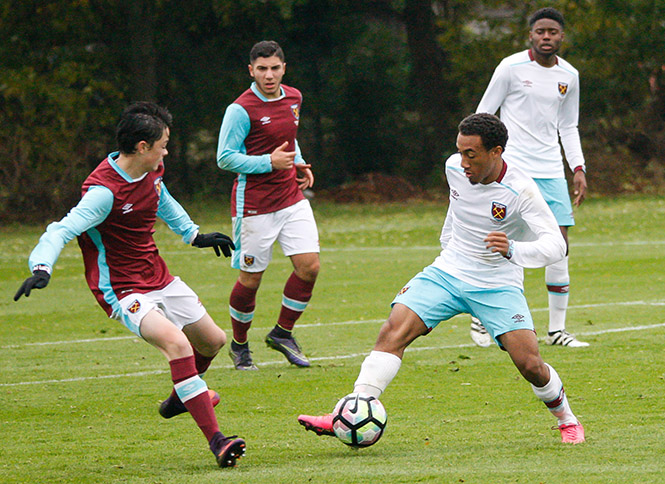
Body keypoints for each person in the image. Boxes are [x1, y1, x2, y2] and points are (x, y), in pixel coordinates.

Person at [297, 113, 586, 444]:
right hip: (448, 271)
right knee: (393, 330)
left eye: (471, 154)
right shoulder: (454, 168)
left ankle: (567, 421)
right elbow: (457, 209)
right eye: (459, 151)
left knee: (530, 363)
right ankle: (347, 414)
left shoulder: (521, 189)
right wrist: (447, 246)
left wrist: (513, 251)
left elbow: (555, 245)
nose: (462, 162)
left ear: (496, 152)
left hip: (496, 283)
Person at [13, 102, 246, 468]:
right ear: (141, 147)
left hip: (159, 276)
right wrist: (41, 267)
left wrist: (193, 234)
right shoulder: (103, 193)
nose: (166, 151)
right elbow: (60, 229)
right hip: (123, 290)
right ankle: (217, 440)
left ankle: (178, 399)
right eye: (162, 144)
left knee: (213, 341)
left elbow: (162, 198)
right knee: (177, 343)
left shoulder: (151, 171)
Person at [472, 7, 589, 348]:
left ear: (562, 36)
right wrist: (481, 162)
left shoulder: (570, 75)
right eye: (540, 31)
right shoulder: (510, 68)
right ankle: (483, 315)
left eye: (553, 32)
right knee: (503, 240)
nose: (546, 37)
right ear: (531, 35)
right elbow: (484, 113)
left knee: (559, 246)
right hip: (514, 169)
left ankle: (557, 331)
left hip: (551, 170)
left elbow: (568, 126)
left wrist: (578, 168)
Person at [217, 40, 319, 370]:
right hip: (254, 206)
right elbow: (224, 157)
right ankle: (240, 345)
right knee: (251, 281)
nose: (269, 75)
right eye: (262, 69)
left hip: (291, 198)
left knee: (309, 267)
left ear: (283, 68)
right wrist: (268, 162)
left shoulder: (294, 97)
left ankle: (282, 333)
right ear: (251, 71)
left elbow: (290, 138)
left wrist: (299, 162)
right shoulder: (240, 109)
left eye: (274, 68)